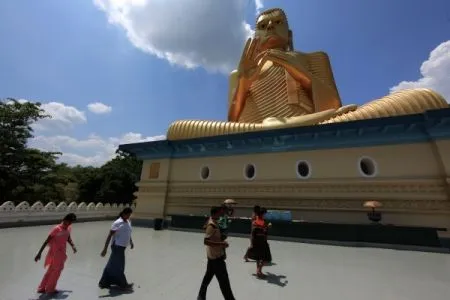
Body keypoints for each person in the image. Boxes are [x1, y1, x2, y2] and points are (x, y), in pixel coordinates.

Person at [198, 206, 236, 300]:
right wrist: (221, 244)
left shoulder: (214, 222)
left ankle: (201, 297)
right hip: (216, 259)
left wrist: (221, 237)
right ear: (215, 213)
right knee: (224, 283)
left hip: (212, 258)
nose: (222, 214)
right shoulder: (212, 225)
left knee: (207, 278)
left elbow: (205, 228)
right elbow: (206, 241)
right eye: (220, 212)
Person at [34, 213, 77, 294]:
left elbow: (68, 237)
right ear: (65, 220)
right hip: (55, 253)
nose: (70, 224)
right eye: (69, 221)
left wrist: (73, 246)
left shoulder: (68, 228)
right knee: (57, 271)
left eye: (71, 222)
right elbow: (46, 241)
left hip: (62, 253)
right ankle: (50, 289)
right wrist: (39, 253)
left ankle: (42, 288)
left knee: (51, 270)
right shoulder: (57, 229)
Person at [99, 207, 134, 290]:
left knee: (111, 265)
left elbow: (128, 233)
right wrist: (105, 249)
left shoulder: (128, 222)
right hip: (117, 246)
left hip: (122, 247)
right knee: (119, 266)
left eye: (130, 215)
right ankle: (123, 284)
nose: (129, 216)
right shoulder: (117, 223)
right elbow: (109, 235)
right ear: (123, 214)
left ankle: (103, 282)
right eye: (128, 214)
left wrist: (131, 242)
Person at [247, 207, 272, 278]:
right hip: (260, 241)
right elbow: (260, 231)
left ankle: (259, 272)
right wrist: (267, 227)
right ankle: (258, 270)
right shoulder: (260, 221)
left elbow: (255, 232)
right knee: (266, 258)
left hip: (257, 241)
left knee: (258, 257)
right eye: (264, 214)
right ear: (262, 214)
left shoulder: (256, 220)